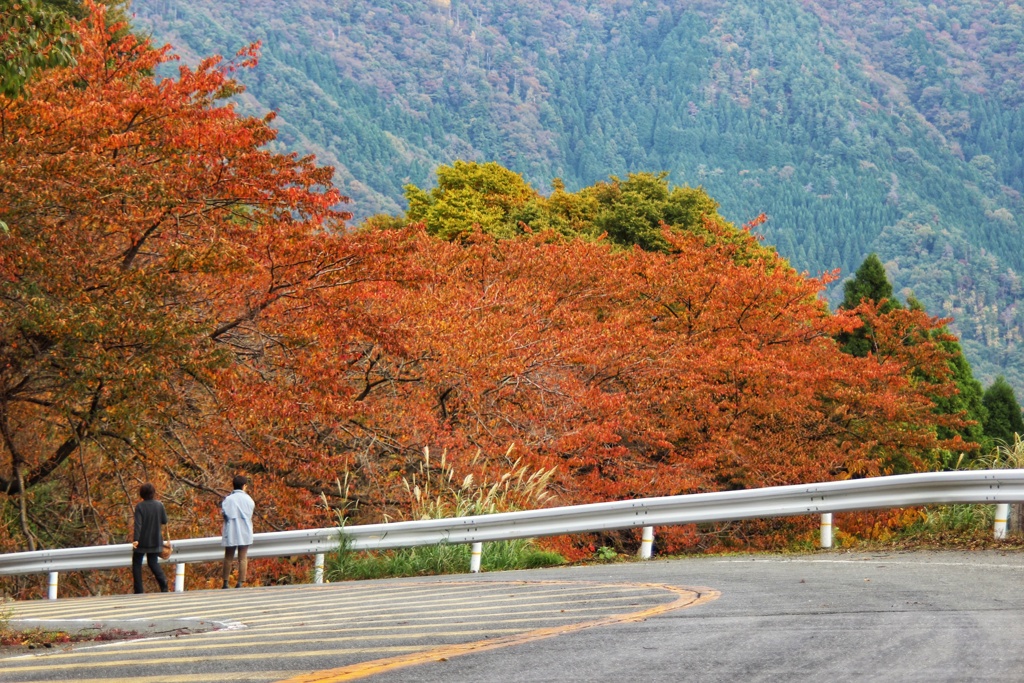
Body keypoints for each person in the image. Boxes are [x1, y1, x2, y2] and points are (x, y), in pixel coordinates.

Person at [132, 482, 169, 593]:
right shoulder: (159, 505)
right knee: (152, 562)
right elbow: (164, 520)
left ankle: (139, 590)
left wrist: (136, 539)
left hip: (142, 541)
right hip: (155, 539)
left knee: (137, 563)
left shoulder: (140, 507)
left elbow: (138, 524)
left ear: (142, 494)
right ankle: (163, 582)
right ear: (153, 493)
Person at [221, 474, 255, 588]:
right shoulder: (249, 500)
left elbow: (224, 514)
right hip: (245, 530)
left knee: (228, 557)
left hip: (231, 530)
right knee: (243, 557)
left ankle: (225, 582)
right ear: (244, 486)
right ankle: (240, 581)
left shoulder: (228, 499)